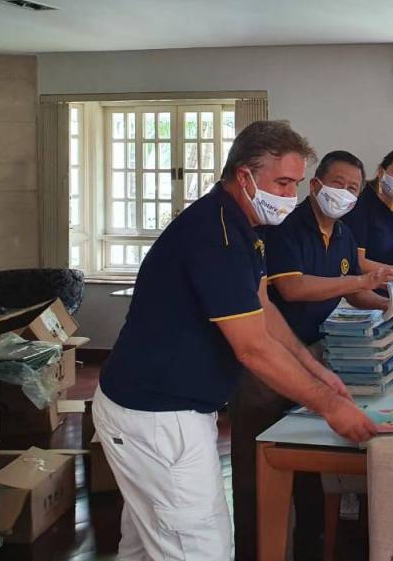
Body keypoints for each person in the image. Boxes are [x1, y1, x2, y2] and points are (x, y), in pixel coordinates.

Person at [92, 121, 376, 561]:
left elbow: (263, 309)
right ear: (244, 175)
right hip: (156, 412)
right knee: (201, 547)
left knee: (146, 548)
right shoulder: (215, 232)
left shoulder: (247, 226)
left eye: (295, 184)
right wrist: (330, 406)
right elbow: (252, 347)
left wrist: (313, 368)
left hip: (176, 406)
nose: (291, 195)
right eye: (282, 183)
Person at [230, 150, 391, 561]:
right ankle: (256, 548)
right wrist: (360, 282)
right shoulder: (288, 226)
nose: (345, 193)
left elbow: (352, 289)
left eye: (353, 188)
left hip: (315, 353)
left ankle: (310, 542)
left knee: (308, 452)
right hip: (268, 359)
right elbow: (293, 288)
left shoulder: (342, 232)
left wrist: (388, 304)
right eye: (338, 184)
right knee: (259, 461)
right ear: (316, 185)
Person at [346, 148, 393, 272]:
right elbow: (357, 262)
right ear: (381, 172)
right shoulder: (362, 202)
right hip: (360, 282)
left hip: (387, 281)